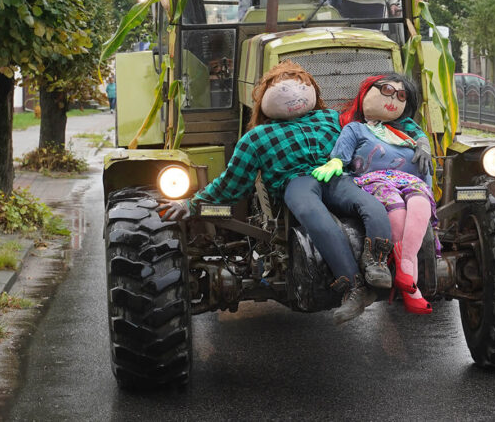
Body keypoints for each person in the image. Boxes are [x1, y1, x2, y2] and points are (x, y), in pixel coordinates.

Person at [161, 62, 422, 324]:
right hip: (295, 181)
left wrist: (419, 141)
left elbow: (378, 127)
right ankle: (353, 287)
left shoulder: (331, 118)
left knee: (370, 204)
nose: (294, 94)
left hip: (335, 174)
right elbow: (232, 181)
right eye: (281, 88)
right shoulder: (257, 137)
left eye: (301, 85)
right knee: (311, 213)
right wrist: (193, 204)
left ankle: (376, 261)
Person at [313, 73, 436, 314]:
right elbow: (342, 152)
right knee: (397, 212)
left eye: (401, 96)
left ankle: (405, 273)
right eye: (387, 91)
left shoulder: (404, 130)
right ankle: (411, 285)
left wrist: (423, 146)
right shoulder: (356, 128)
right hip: (375, 179)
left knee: (421, 208)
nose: (393, 100)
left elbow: (420, 136)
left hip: (410, 180)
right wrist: (336, 162)